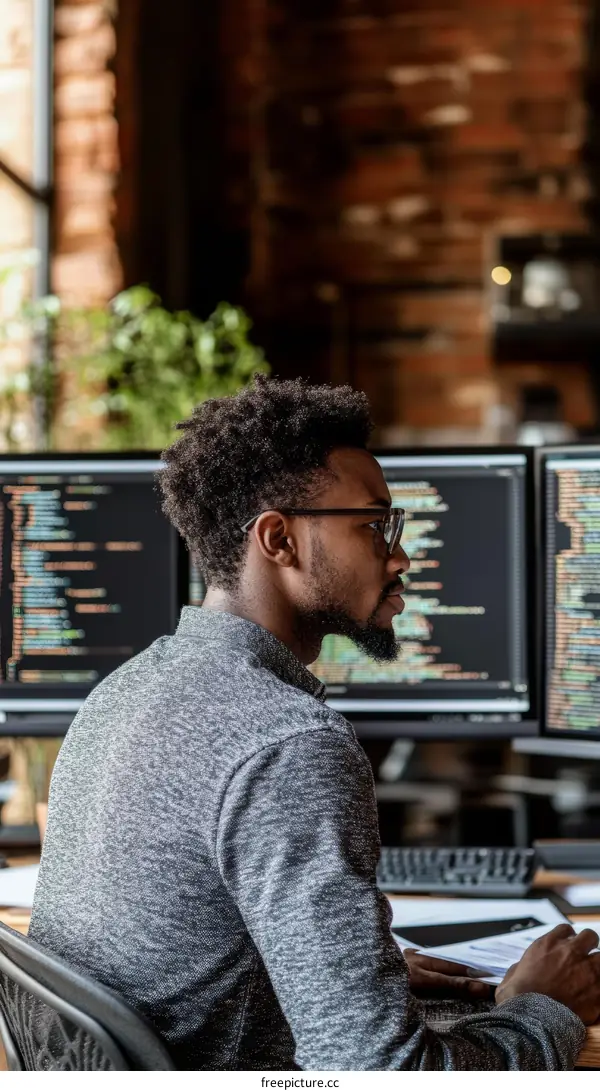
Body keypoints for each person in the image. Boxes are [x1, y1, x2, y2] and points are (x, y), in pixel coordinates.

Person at [30, 377, 600, 1071]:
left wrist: (335, 975)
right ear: (279, 539)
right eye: (374, 525)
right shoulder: (288, 743)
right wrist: (544, 1006)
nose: (399, 556)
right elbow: (382, 1077)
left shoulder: (126, 688)